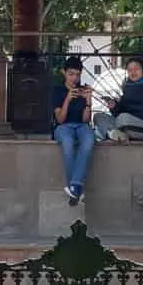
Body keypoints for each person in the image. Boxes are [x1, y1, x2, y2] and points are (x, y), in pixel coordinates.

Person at [51, 56, 95, 206]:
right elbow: (60, 119)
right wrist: (67, 100)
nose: (74, 78)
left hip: (81, 125)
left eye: (77, 74)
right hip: (64, 127)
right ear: (64, 72)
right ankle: (76, 187)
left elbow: (85, 120)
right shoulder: (57, 91)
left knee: (89, 140)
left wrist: (88, 101)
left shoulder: (83, 90)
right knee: (68, 143)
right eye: (71, 74)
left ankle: (74, 187)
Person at [92, 56, 143, 142]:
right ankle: (113, 134)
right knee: (98, 116)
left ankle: (108, 133)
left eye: (136, 69)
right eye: (130, 70)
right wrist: (114, 106)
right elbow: (122, 109)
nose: (133, 72)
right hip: (128, 125)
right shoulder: (128, 86)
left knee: (123, 118)